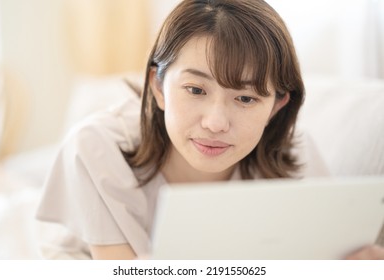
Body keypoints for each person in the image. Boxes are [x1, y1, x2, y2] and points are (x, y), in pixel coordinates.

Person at [36, 0, 383, 260]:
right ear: (158, 86)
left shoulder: (294, 153)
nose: (215, 122)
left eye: (245, 99)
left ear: (276, 106)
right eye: (196, 90)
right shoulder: (96, 147)